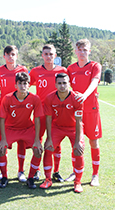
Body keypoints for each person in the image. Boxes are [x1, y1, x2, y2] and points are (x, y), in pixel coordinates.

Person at [0, 72, 44, 188]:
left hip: (27, 129)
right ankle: (4, 177)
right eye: (20, 83)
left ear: (29, 85)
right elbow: (1, 119)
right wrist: (3, 139)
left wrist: (37, 139)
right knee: (1, 149)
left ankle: (31, 177)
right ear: (15, 85)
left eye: (25, 83)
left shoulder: (35, 98)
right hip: (11, 129)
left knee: (38, 150)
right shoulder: (7, 98)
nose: (23, 86)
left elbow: (37, 119)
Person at [40, 73, 84, 193]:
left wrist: (78, 142)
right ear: (55, 84)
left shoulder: (76, 98)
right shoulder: (50, 98)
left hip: (74, 128)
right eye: (59, 83)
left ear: (69, 84)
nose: (62, 85)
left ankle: (78, 182)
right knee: (49, 148)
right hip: (57, 127)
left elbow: (79, 121)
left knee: (78, 151)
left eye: (64, 83)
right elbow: (48, 119)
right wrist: (48, 138)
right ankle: (48, 179)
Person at [29, 44, 67, 182]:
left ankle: (56, 171)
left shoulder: (62, 70)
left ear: (55, 56)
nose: (49, 56)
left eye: (51, 54)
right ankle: (36, 171)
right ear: (42, 55)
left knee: (56, 142)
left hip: (58, 111)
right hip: (41, 111)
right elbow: (27, 84)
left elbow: (68, 88)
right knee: (37, 140)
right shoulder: (35, 71)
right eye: (46, 54)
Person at [0, 45, 28, 182]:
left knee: (22, 142)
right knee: (3, 140)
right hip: (5, 109)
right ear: (4, 56)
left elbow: (26, 86)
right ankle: (3, 172)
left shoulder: (23, 70)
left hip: (21, 109)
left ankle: (21, 171)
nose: (11, 57)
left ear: (16, 55)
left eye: (13, 54)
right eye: (8, 54)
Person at [67, 39, 102, 186]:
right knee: (76, 143)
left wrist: (84, 95)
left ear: (89, 51)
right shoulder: (70, 68)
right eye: (79, 50)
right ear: (75, 51)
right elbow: (66, 86)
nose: (82, 52)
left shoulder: (95, 66)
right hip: (76, 112)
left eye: (85, 50)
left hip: (91, 110)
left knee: (93, 141)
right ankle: (75, 171)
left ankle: (95, 174)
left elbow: (94, 81)